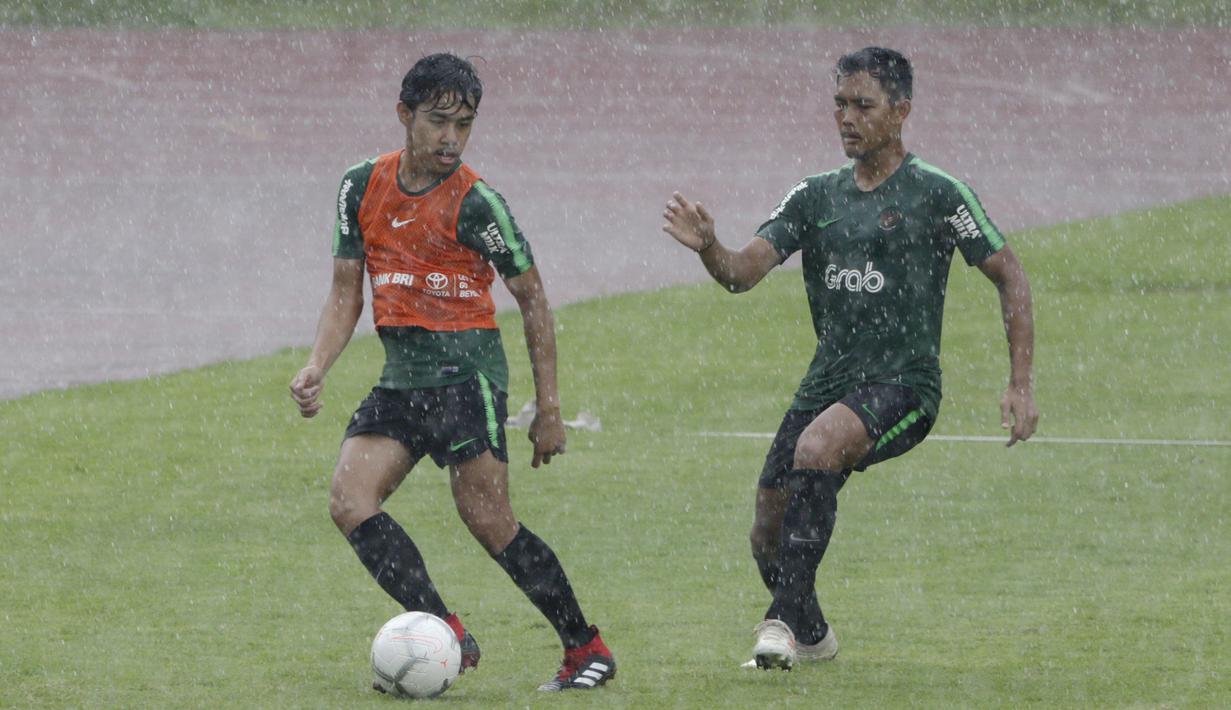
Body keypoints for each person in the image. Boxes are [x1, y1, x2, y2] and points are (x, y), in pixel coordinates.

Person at [662, 46, 1037, 670]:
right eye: (840, 104)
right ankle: (812, 637)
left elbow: (1011, 276)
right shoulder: (815, 196)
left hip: (904, 386)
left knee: (817, 448)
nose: (847, 118)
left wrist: (1020, 383)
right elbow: (742, 273)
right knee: (767, 533)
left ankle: (780, 624)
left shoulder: (939, 194)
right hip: (827, 384)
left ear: (901, 111)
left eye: (863, 105)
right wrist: (709, 247)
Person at [289, 53, 615, 692]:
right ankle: (446, 633)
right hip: (402, 378)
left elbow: (533, 299)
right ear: (403, 115)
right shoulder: (360, 186)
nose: (451, 139)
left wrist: (549, 409)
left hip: (467, 378)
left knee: (489, 522)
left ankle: (587, 650)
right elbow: (346, 290)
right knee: (349, 501)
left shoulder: (478, 203)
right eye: (438, 122)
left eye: (464, 125)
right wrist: (317, 364)